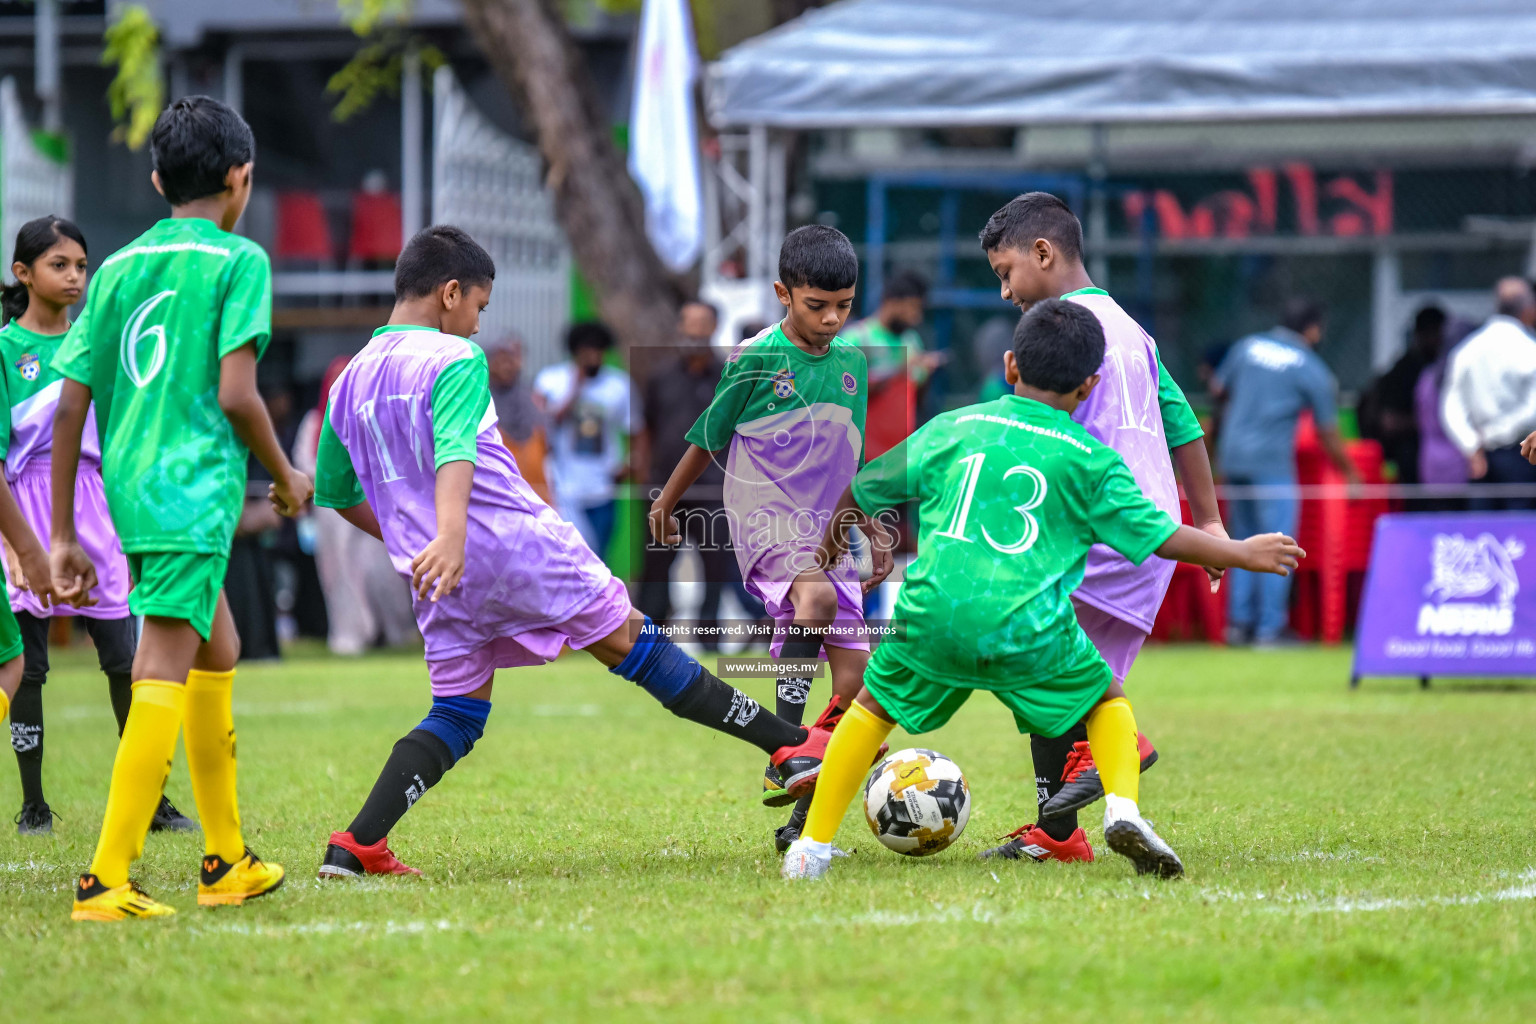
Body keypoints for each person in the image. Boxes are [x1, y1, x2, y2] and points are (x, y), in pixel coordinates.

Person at [309, 225, 829, 879]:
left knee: (459, 712)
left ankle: (356, 843)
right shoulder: (452, 359)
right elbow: (455, 451)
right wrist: (448, 534)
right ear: (449, 294)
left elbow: (334, 492)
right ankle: (789, 746)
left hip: (438, 574)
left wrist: (425, 541)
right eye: (479, 307)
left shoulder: (348, 378)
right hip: (513, 545)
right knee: (633, 642)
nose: (476, 325)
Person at [780, 300, 1305, 881]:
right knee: (1106, 696)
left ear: (1009, 366)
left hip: (934, 615)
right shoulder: (1090, 460)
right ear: (1089, 386)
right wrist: (1239, 551)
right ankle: (1123, 811)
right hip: (1029, 626)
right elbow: (1162, 534)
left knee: (871, 710)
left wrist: (830, 548)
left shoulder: (953, 427)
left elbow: (861, 489)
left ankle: (811, 847)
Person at [50, 96, 313, 921]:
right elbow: (238, 394)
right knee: (164, 663)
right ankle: (106, 876)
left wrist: (62, 529)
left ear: (159, 178)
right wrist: (286, 473)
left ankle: (225, 857)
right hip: (192, 491)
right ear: (242, 178)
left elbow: (70, 404)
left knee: (218, 649)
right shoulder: (239, 261)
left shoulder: (118, 269)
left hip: (131, 491)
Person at [974, 192, 1226, 863]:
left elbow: (1035, 435)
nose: (1005, 292)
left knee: (979, 630)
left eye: (1006, 273)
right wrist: (1208, 523)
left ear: (1044, 253)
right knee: (1058, 674)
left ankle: (1114, 751)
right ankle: (1061, 832)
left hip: (1098, 530)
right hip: (1151, 541)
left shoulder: (1062, 334)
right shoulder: (1132, 330)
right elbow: (1183, 424)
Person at [648, 225, 893, 851]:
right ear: (784, 293)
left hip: (829, 530)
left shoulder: (853, 366)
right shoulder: (754, 359)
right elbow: (707, 438)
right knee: (813, 601)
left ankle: (802, 823)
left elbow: (853, 460)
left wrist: (872, 531)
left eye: (844, 304)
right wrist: (668, 502)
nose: (833, 318)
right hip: (765, 518)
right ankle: (786, 742)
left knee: (857, 688)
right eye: (817, 306)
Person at [2, 216, 181, 837]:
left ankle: (152, 800)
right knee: (29, 661)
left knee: (124, 654)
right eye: (60, 265)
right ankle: (32, 803)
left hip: (97, 502)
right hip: (28, 506)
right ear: (23, 273)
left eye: (81, 265)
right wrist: (20, 544)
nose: (75, 276)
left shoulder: (100, 344)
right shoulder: (5, 352)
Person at [1214, 297, 1359, 647]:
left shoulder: (1247, 346)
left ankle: (1239, 625)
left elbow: (1218, 389)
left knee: (1241, 541)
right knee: (1277, 543)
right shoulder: (1310, 367)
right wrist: (1350, 471)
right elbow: (1327, 431)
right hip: (1270, 464)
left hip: (1232, 457)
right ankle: (1269, 629)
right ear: (1312, 329)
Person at [634, 300, 751, 648]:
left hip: (715, 492)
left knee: (714, 569)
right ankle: (647, 641)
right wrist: (645, 477)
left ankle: (709, 641)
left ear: (713, 328)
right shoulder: (660, 377)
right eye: (689, 324)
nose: (694, 333)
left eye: (702, 325)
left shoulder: (729, 377)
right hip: (663, 489)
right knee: (655, 568)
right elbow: (646, 429)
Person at [293, 356, 418, 655]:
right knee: (340, 572)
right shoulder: (314, 421)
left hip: (374, 500)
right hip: (333, 506)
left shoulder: (375, 414)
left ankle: (395, 630)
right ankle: (350, 635)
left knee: (383, 567)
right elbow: (305, 464)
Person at [533, 322, 632, 557]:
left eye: (598, 350)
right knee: (565, 558)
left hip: (602, 488)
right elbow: (541, 427)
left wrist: (629, 463)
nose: (593, 356)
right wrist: (575, 388)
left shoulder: (618, 385)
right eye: (586, 350)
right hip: (562, 487)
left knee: (598, 557)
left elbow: (634, 429)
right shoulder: (551, 380)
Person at [1442, 278, 1536, 509]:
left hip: (1479, 456)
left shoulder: (1467, 350)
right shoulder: (1529, 348)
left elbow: (1450, 407)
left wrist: (1471, 445)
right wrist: (1500, 432)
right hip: (1522, 453)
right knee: (1522, 532)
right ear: (1528, 310)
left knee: (1484, 533)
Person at [841, 269, 944, 459]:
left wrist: (926, 374)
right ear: (891, 301)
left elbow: (916, 402)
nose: (916, 317)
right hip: (860, 455)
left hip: (897, 454)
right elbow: (844, 395)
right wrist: (898, 371)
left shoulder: (911, 341)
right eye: (912, 307)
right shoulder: (857, 338)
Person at [1359, 306, 1446, 485]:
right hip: (1409, 457)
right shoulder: (1406, 370)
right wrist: (1434, 424)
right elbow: (1389, 422)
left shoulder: (1441, 367)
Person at [486, 336, 552, 506]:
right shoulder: (481, 400)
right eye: (501, 359)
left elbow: (547, 446)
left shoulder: (532, 398)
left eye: (512, 359)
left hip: (537, 495)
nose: (508, 365)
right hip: (497, 497)